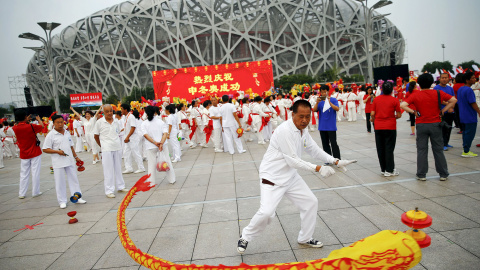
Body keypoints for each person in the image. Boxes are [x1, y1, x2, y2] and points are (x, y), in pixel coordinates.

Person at [237, 100, 356, 254]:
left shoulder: (302, 130)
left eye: (308, 116)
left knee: (310, 202)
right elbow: (292, 160)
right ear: (292, 114)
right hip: (272, 177)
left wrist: (335, 161)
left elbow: (313, 149)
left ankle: (305, 238)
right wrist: (319, 168)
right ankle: (245, 236)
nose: (305, 120)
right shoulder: (284, 130)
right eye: (301, 116)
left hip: (290, 176)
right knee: (267, 212)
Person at [400, 74, 457, 181]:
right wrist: (443, 111)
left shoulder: (416, 94)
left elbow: (402, 105)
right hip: (436, 124)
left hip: (421, 124)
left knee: (422, 150)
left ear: (419, 84)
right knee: (438, 150)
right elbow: (453, 100)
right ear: (431, 82)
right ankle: (443, 174)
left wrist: (414, 112)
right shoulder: (438, 92)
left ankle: (422, 174)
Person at [42, 115, 87, 208]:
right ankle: (62, 201)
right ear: (53, 123)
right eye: (57, 122)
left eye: (61, 122)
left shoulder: (66, 132)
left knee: (74, 179)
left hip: (69, 160)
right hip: (58, 162)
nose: (60, 124)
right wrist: (57, 151)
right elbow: (45, 149)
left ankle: (77, 197)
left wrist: (76, 157)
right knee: (60, 182)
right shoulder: (51, 135)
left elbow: (71, 146)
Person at [94, 105, 128, 198]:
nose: (109, 113)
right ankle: (109, 190)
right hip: (106, 149)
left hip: (117, 147)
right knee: (108, 170)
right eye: (107, 111)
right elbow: (96, 136)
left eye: (111, 111)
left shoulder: (116, 122)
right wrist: (102, 145)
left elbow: (118, 133)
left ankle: (121, 186)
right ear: (103, 112)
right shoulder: (99, 122)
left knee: (118, 168)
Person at [371, 82, 402, 177]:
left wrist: (373, 119)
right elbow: (399, 114)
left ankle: (383, 169)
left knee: (380, 148)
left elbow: (372, 113)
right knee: (389, 148)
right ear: (392, 90)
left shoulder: (376, 99)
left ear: (382, 89)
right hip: (390, 126)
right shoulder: (395, 100)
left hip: (378, 126)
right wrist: (393, 117)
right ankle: (390, 170)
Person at [12, 110, 44, 199]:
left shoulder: (15, 128)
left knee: (23, 174)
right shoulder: (31, 126)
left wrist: (26, 120)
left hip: (24, 153)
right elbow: (42, 127)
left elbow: (20, 125)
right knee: (35, 172)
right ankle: (35, 191)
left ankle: (22, 193)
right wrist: (39, 119)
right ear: (25, 117)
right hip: (34, 152)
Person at [141, 106, 175, 185]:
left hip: (151, 146)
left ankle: (151, 182)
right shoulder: (160, 122)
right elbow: (165, 133)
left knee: (151, 165)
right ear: (155, 112)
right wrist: (161, 143)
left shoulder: (144, 124)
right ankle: (172, 179)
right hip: (162, 145)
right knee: (167, 161)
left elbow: (145, 135)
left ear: (146, 113)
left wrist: (155, 142)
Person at [313, 85, 341, 159]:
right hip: (322, 126)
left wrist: (329, 102)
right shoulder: (320, 101)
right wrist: (317, 103)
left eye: (325, 92)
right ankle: (328, 159)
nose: (323, 93)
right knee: (325, 144)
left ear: (328, 91)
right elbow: (314, 110)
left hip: (331, 126)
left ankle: (337, 159)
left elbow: (337, 108)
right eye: (322, 92)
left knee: (333, 143)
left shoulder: (333, 100)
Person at [457, 72, 480, 157]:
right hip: (470, 116)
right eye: (473, 78)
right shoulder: (469, 90)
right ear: (467, 80)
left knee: (465, 133)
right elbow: (473, 102)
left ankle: (465, 149)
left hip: (462, 115)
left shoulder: (460, 89)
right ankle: (466, 151)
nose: (475, 79)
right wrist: (479, 111)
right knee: (470, 134)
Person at [433, 74, 455, 151]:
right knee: (442, 129)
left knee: (449, 128)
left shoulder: (450, 88)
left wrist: (451, 107)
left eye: (446, 78)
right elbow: (438, 100)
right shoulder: (436, 88)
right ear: (440, 79)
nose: (444, 79)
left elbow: (453, 98)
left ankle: (446, 142)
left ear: (449, 79)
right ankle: (442, 144)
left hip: (451, 111)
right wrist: (449, 105)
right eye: (443, 78)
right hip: (442, 112)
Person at [121, 104, 145, 174]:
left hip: (132, 138)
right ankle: (129, 168)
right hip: (128, 138)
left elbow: (133, 127)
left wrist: (128, 136)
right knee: (126, 153)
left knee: (135, 153)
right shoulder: (126, 117)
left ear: (125, 109)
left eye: (122, 109)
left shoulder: (131, 117)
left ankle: (141, 167)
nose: (121, 110)